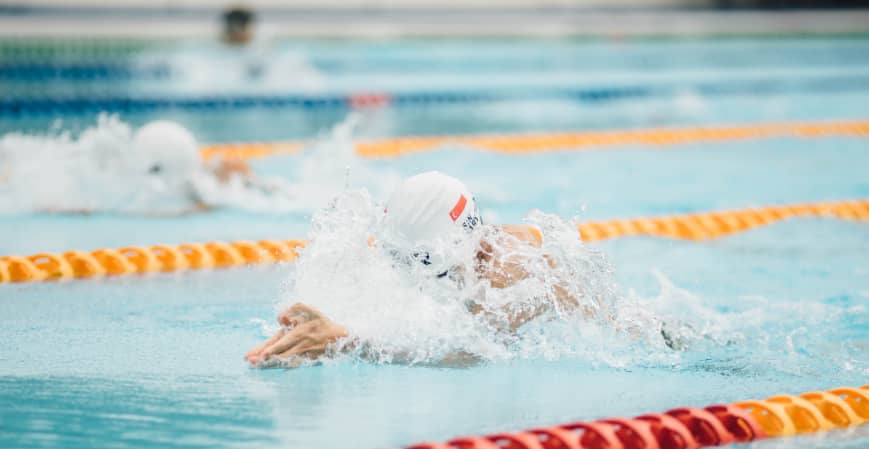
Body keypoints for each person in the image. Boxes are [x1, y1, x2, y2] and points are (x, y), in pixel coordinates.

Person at [244, 171, 591, 368]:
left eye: (434, 272)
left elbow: (466, 353)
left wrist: (346, 341)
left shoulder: (511, 267)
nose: (421, 282)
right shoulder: (456, 254)